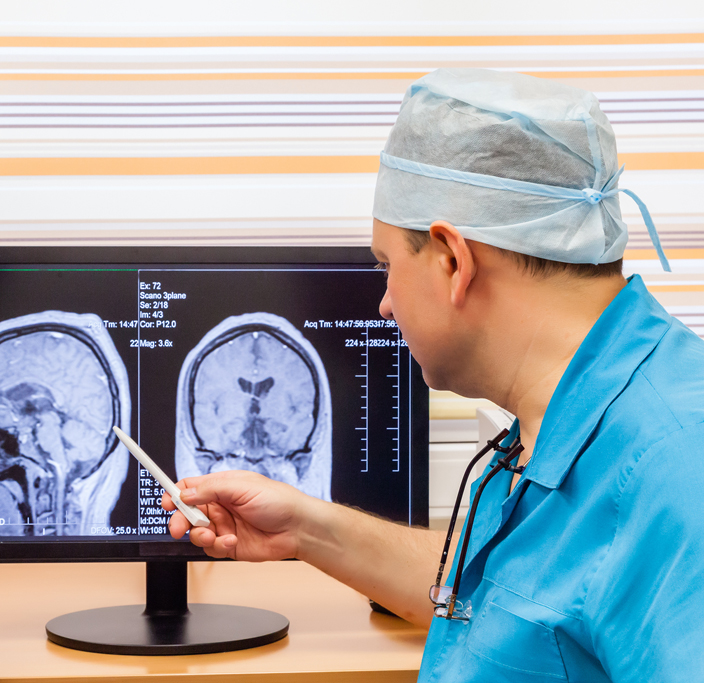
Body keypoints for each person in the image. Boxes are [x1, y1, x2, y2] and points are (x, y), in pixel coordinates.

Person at [164, 68, 704, 681]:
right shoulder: (567, 420)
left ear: (452, 260)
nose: (384, 304)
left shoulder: (678, 468)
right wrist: (306, 529)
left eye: (386, 266)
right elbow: (513, 600)